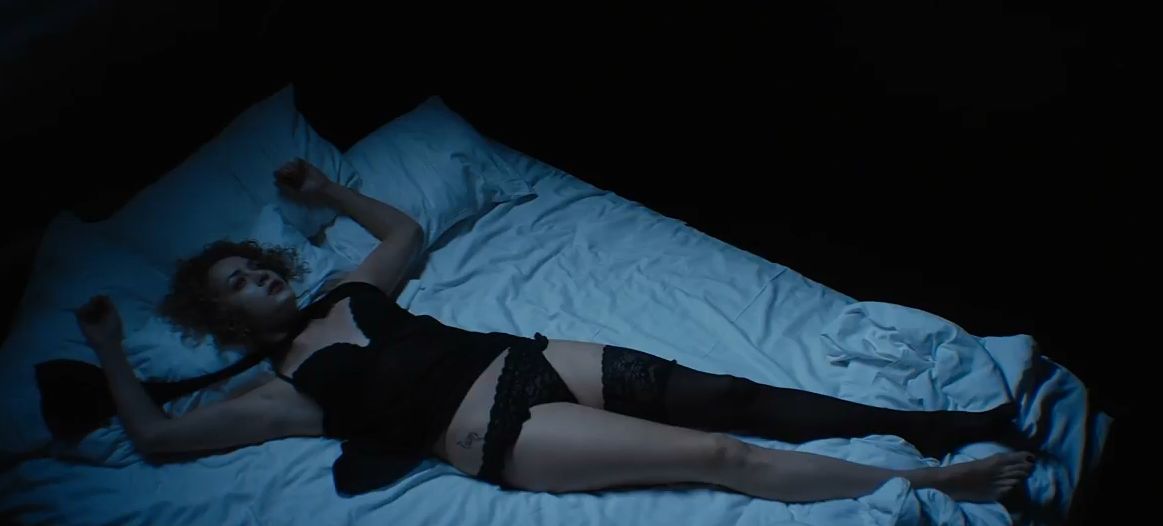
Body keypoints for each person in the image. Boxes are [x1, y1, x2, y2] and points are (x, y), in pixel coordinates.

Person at [71, 158, 1035, 504]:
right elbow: (156, 437)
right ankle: (925, 482)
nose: (259, 279)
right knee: (717, 454)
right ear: (224, 317)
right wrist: (112, 352)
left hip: (525, 361)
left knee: (730, 395)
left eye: (255, 265)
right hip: (495, 431)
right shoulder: (281, 393)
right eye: (238, 286)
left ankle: (931, 426)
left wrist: (327, 191)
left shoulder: (348, 294)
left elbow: (402, 234)